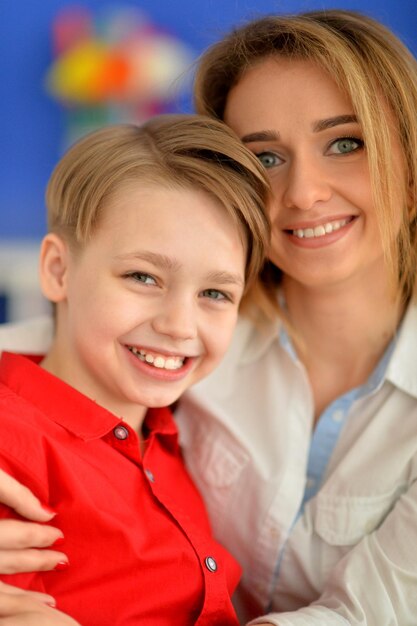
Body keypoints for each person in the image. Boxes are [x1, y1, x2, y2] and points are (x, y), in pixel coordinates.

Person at [0, 7, 417, 626]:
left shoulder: (192, 334)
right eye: (266, 158)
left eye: (346, 143)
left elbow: (372, 611)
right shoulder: (182, 343)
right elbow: (52, 354)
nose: (304, 192)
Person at [0, 113, 271, 625]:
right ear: (58, 271)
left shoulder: (182, 432)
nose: (178, 324)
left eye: (215, 293)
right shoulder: (12, 447)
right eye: (143, 276)